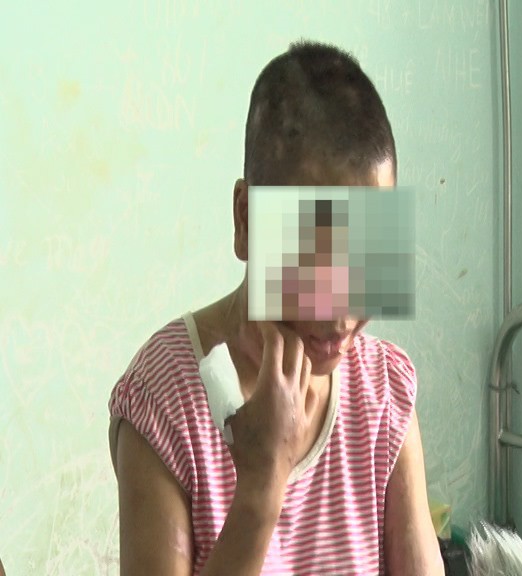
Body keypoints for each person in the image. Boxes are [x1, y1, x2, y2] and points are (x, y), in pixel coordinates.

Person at [108, 40, 443, 575]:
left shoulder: (383, 394)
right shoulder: (165, 400)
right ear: (245, 220)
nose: (341, 315)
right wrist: (263, 482)